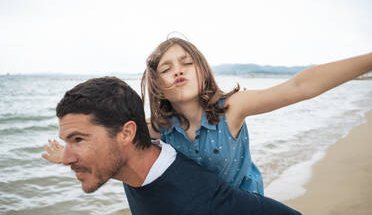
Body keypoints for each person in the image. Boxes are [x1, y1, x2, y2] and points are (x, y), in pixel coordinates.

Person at [44, 37, 372, 195]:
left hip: (244, 208)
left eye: (187, 63)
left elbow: (301, 85)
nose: (178, 71)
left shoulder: (232, 109)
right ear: (157, 83)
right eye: (167, 68)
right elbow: (113, 142)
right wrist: (70, 153)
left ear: (202, 69)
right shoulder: (158, 127)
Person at [52, 76, 301, 215]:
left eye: (79, 139)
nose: (66, 158)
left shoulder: (199, 200)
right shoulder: (140, 158)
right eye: (68, 142)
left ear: (127, 133)